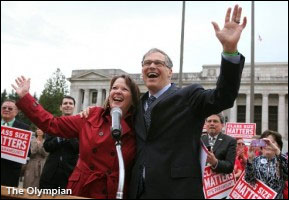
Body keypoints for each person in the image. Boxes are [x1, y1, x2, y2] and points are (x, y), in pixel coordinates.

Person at [129, 4, 247, 199]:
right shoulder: (138, 105)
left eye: (158, 63)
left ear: (170, 71)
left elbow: (224, 96)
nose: (152, 66)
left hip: (176, 192)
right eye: (147, 63)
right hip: (139, 192)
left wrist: (230, 51)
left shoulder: (189, 96)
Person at [12, 74, 140, 198]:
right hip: (83, 189)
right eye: (114, 88)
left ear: (133, 98)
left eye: (124, 89)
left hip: (113, 192)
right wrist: (26, 97)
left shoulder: (139, 127)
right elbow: (52, 124)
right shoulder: (91, 116)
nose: (118, 91)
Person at [39, 96, 79, 189]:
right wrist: (60, 138)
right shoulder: (53, 123)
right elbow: (47, 146)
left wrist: (69, 135)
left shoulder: (79, 126)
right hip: (50, 175)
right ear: (60, 107)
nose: (68, 105)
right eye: (65, 103)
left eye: (70, 103)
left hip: (69, 174)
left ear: (74, 107)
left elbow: (80, 148)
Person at [245, 130, 288, 199]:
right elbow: (249, 180)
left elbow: (286, 175)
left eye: (272, 142)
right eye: (265, 142)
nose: (268, 145)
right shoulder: (256, 160)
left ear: (278, 146)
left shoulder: (282, 160)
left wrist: (278, 152)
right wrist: (250, 160)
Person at [1, 99, 30, 187]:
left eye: (10, 108)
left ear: (16, 112)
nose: (6, 110)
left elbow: (28, 151)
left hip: (11, 173)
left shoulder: (24, 128)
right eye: (4, 107)